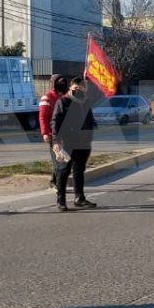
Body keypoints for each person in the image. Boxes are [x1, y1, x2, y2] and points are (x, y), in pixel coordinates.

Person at [51, 76, 97, 212]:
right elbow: (55, 121)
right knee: (63, 171)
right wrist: (56, 140)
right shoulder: (63, 101)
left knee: (79, 171)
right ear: (71, 87)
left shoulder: (85, 101)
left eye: (81, 88)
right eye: (76, 88)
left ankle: (79, 198)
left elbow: (89, 119)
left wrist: (90, 131)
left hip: (83, 143)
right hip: (67, 142)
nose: (79, 90)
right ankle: (61, 201)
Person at [39, 74, 63, 190]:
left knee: (62, 159)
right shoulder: (47, 98)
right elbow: (43, 117)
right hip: (53, 135)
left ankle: (55, 180)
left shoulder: (64, 97)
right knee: (58, 159)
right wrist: (45, 133)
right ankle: (57, 183)